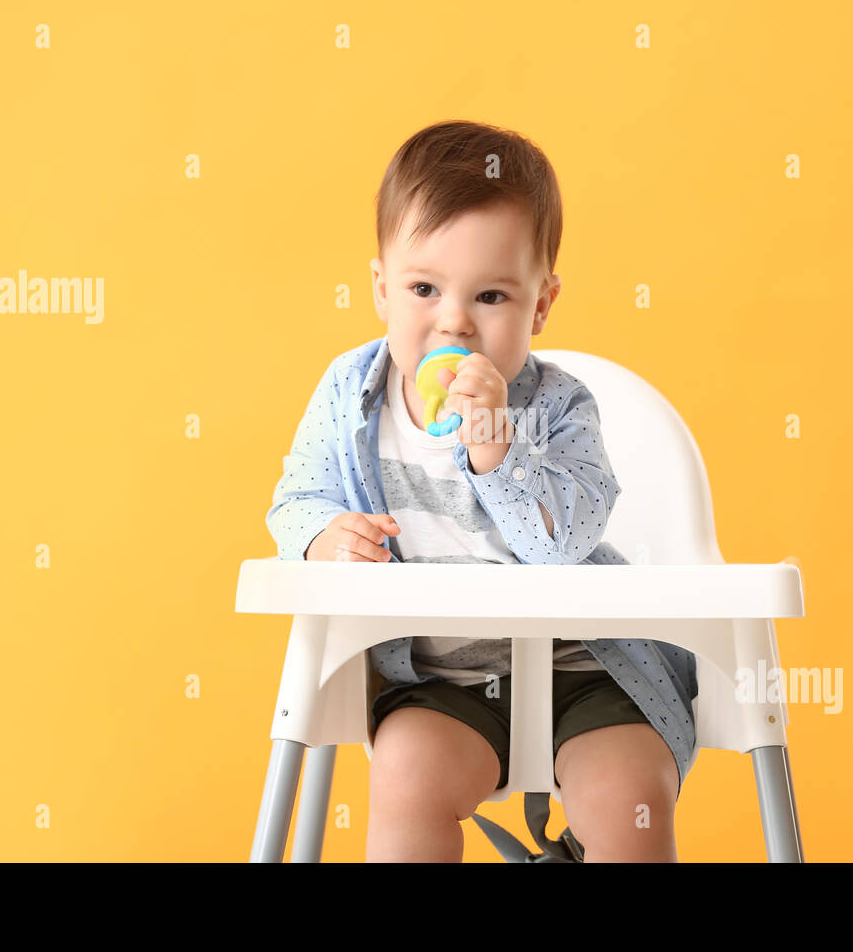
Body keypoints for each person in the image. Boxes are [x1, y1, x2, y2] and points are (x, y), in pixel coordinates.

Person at [267, 119, 697, 861]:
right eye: (424, 289)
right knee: (405, 775)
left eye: (491, 295)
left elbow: (563, 543)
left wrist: (499, 451)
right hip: (440, 678)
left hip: (584, 667)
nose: (455, 323)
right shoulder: (350, 395)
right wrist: (321, 537)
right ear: (380, 289)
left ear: (540, 305)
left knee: (629, 794)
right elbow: (297, 498)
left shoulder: (560, 407)